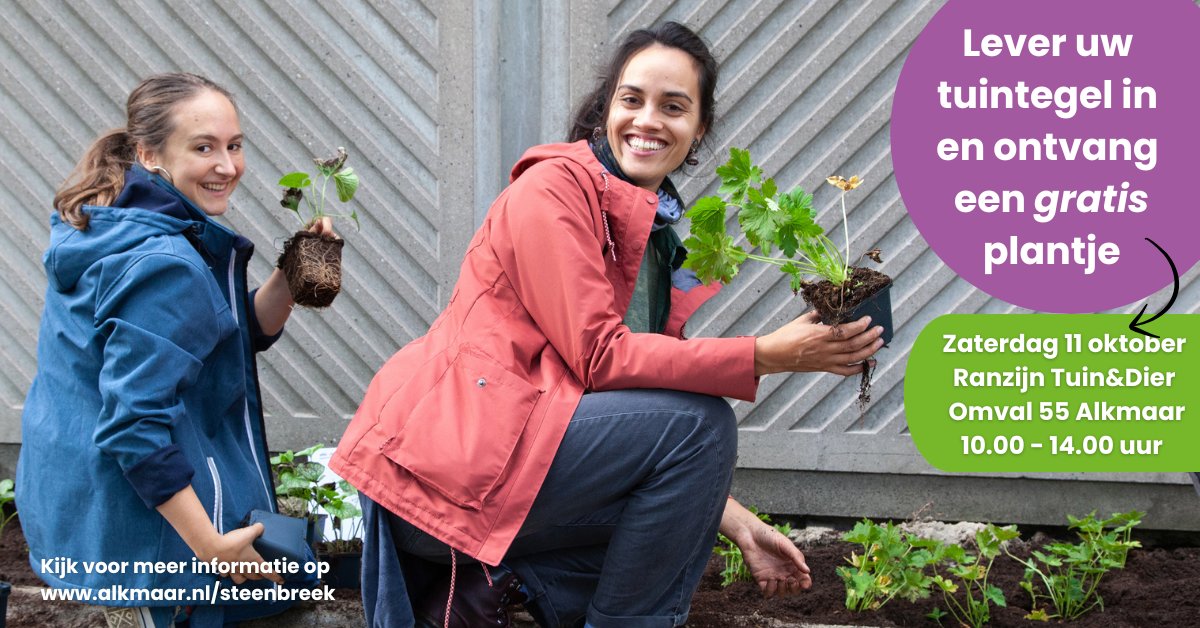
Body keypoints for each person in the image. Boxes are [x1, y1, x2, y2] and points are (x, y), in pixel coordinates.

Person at [330, 22, 883, 628]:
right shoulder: (552, 191)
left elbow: (635, 420)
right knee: (700, 424)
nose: (648, 121)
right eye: (632, 100)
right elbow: (602, 359)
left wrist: (739, 525)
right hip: (441, 477)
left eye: (674, 107)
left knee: (678, 493)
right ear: (605, 109)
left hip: (504, 468)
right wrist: (767, 354)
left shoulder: (647, 233)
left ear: (700, 128)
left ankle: (490, 593)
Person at [16, 72, 333, 628]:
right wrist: (210, 547)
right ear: (149, 153)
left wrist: (289, 277)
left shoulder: (114, 224)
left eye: (235, 146)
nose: (228, 166)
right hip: (154, 543)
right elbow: (133, 427)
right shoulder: (164, 261)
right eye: (204, 147)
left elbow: (218, 338)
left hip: (89, 509)